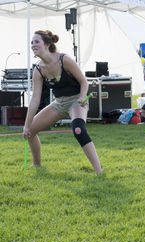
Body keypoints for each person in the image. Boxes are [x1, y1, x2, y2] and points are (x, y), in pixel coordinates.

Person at [24, 30, 102, 174]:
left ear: (47, 44)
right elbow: (35, 99)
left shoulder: (64, 60)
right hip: (59, 103)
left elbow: (84, 82)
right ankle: (37, 167)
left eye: (36, 42)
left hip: (76, 100)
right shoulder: (38, 70)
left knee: (79, 130)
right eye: (32, 42)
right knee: (30, 132)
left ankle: (99, 172)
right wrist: (27, 125)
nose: (33, 45)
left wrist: (82, 97)